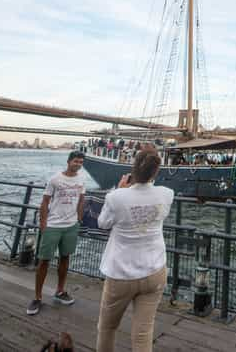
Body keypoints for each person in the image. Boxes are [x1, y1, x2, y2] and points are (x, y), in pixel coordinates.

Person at [95, 145, 174, 352]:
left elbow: (102, 223)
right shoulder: (167, 194)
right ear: (156, 172)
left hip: (122, 273)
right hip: (155, 270)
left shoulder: (116, 197)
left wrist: (120, 189)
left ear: (132, 170)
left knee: (107, 327)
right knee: (143, 333)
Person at [27, 151, 86, 316]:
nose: (78, 164)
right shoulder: (55, 179)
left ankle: (60, 291)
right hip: (53, 225)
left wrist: (79, 218)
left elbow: (82, 199)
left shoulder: (82, 179)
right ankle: (37, 297)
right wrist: (43, 223)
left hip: (71, 225)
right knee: (44, 260)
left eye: (81, 162)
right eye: (76, 161)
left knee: (65, 258)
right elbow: (45, 201)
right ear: (68, 161)